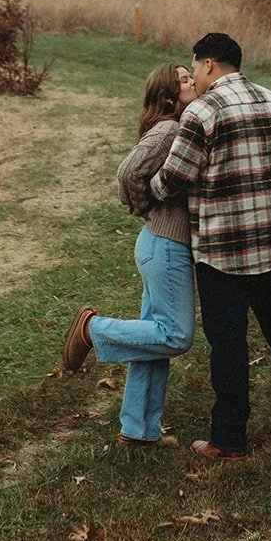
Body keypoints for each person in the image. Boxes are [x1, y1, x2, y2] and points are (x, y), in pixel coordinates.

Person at [149, 31, 271, 459]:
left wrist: (152, 190)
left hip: (224, 251)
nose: (193, 76)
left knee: (228, 343)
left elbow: (176, 176)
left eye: (194, 67)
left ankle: (229, 438)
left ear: (209, 64)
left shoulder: (202, 110)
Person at [60, 64, 197, 445]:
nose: (193, 83)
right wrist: (147, 206)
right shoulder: (170, 129)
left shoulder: (180, 128)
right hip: (166, 246)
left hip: (161, 244)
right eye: (185, 80)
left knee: (151, 338)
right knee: (175, 336)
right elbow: (128, 172)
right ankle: (91, 329)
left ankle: (138, 430)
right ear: (169, 97)